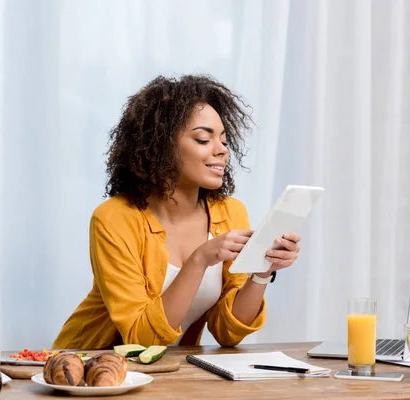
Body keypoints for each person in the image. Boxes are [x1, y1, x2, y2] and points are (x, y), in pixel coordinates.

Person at [53, 75, 301, 349]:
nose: (222, 151)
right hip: (87, 366)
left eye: (224, 141)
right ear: (160, 146)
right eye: (204, 139)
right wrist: (200, 260)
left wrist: (262, 270)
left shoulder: (230, 212)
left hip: (167, 375)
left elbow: (228, 333)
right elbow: (141, 339)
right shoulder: (114, 218)